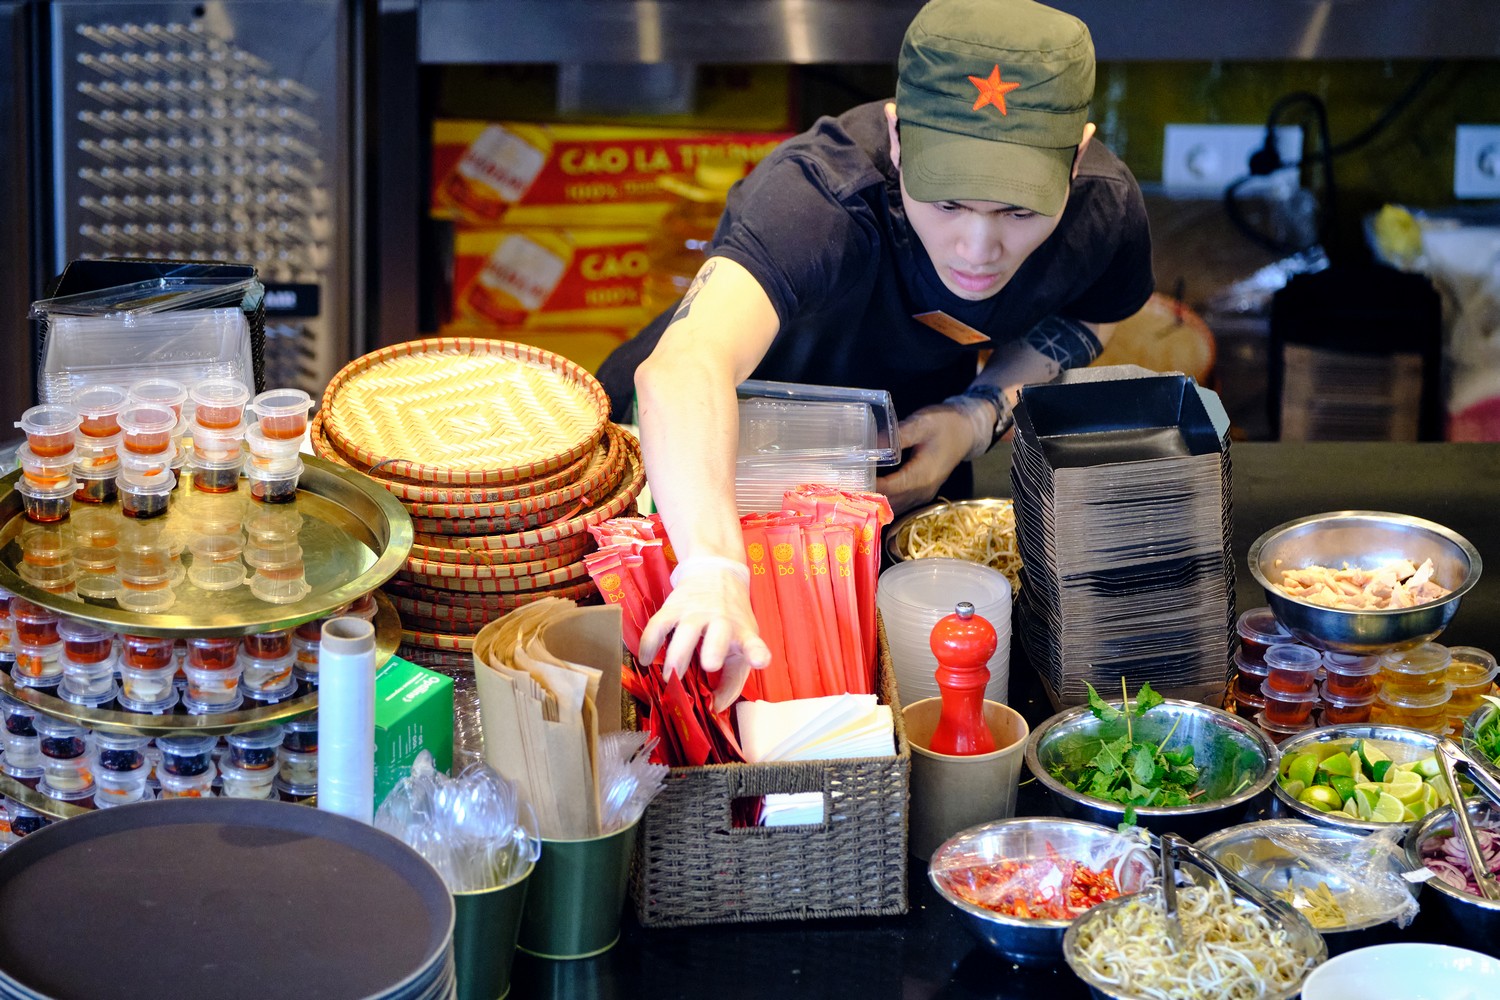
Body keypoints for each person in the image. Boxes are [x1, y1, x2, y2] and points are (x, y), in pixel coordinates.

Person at [597, 0, 1154, 708]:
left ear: (1075, 158)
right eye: (947, 203)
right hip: (696, 466)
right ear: (897, 139)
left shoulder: (1102, 209)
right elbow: (684, 367)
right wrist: (711, 568)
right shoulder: (819, 199)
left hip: (888, 462)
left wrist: (975, 416)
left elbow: (1095, 311)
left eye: (1018, 211)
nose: (978, 249)